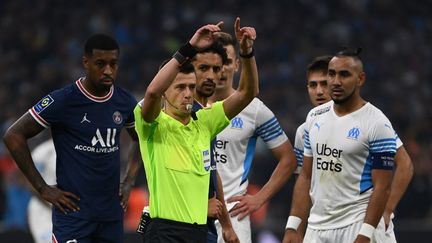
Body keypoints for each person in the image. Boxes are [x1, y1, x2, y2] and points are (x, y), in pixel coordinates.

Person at [3, 33, 142, 242]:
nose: (108, 71)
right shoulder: (63, 100)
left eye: (113, 64)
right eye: (100, 64)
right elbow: (13, 136)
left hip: (110, 215)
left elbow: (141, 138)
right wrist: (44, 189)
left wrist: (129, 180)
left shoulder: (124, 101)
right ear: (86, 63)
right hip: (73, 216)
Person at [134, 17, 258, 243]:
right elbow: (152, 93)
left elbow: (247, 93)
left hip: (199, 232)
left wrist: (247, 53)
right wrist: (188, 48)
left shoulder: (204, 122)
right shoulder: (153, 126)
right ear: (166, 92)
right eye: (180, 87)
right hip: (164, 232)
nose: (188, 93)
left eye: (191, 87)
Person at [283, 55, 414, 242]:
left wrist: (387, 210)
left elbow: (404, 165)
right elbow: (305, 180)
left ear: (359, 79)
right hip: (319, 226)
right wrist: (294, 227)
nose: (320, 91)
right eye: (313, 85)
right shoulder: (308, 125)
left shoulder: (374, 122)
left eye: (343, 75)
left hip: (358, 222)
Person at [207, 32, 297, 243]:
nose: (220, 69)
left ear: (236, 65)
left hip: (233, 214)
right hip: (190, 212)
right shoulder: (187, 105)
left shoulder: (254, 110)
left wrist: (259, 198)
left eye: (226, 62)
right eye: (214, 63)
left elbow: (288, 159)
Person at [189, 39, 238, 242]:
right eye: (203, 68)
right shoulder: (173, 115)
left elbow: (212, 170)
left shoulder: (207, 116)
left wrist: (226, 224)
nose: (211, 76)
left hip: (206, 225)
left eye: (216, 69)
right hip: (179, 224)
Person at [27, 138, 56, 243]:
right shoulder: (43, 151)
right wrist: (52, 203)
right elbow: (30, 183)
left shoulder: (80, 147)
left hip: (71, 211)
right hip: (42, 211)